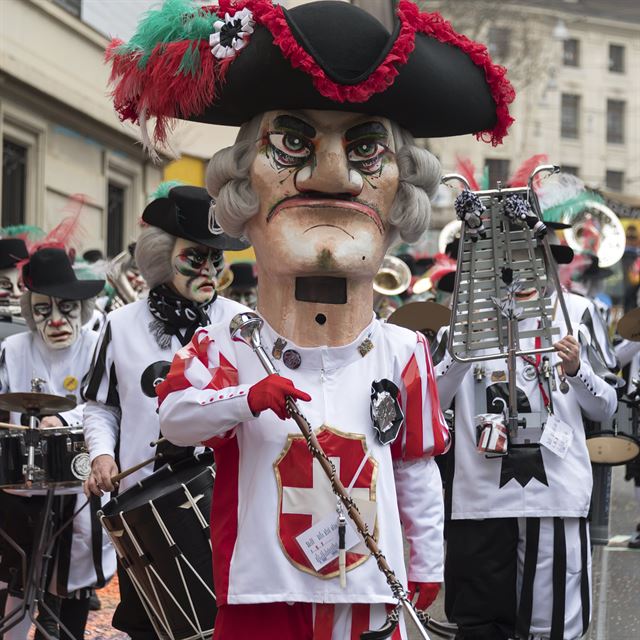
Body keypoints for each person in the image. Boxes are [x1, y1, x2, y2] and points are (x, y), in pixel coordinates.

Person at [105, 0, 516, 636]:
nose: (332, 175)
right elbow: (177, 422)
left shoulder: (404, 352)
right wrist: (247, 396)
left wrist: (426, 566)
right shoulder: (225, 340)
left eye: (367, 147)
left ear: (402, 189)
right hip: (257, 597)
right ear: (242, 187)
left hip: (371, 600)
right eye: (293, 142)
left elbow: (415, 472)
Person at [83, 183, 248, 640]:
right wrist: (101, 455)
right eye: (196, 256)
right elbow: (100, 405)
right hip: (144, 509)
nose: (211, 269)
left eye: (217, 258)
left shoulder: (239, 322)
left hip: (228, 505)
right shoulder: (119, 325)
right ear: (161, 255)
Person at [435, 235, 617, 639]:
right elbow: (433, 401)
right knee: (480, 626)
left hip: (554, 495)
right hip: (481, 500)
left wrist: (575, 370)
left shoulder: (576, 312)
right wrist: (462, 352)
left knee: (552, 625)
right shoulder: (464, 315)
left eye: (529, 253)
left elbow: (605, 406)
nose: (518, 265)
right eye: (507, 254)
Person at [0, 247, 116, 640]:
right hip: (18, 486)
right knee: (12, 572)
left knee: (73, 574)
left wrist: (64, 418)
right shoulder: (13, 350)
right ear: (29, 309)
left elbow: (105, 404)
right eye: (42, 309)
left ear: (82, 308)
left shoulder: (96, 345)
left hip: (76, 484)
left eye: (66, 308)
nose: (55, 320)